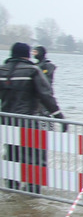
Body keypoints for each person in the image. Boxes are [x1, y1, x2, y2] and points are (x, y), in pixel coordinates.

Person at [0, 42, 64, 193]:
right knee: (34, 157)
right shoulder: (32, 70)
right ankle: (33, 192)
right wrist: (58, 115)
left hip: (7, 122)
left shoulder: (2, 70)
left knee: (11, 155)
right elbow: (45, 95)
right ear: (27, 54)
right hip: (28, 121)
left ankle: (12, 190)